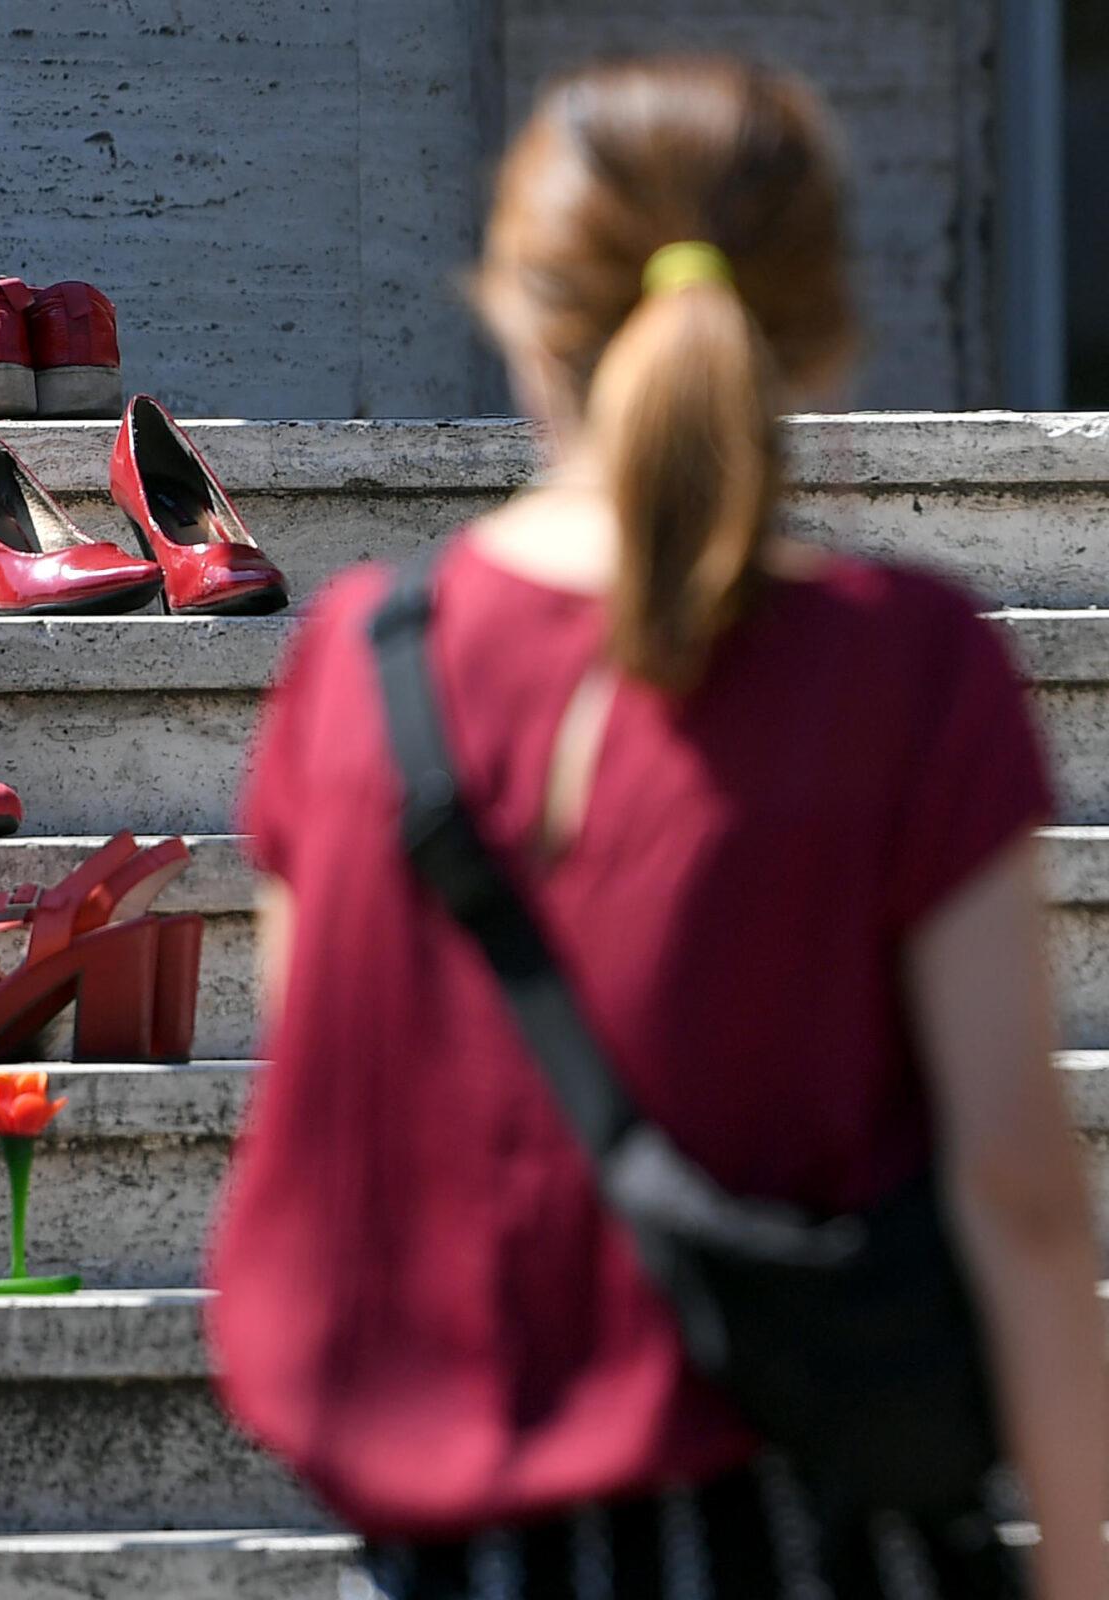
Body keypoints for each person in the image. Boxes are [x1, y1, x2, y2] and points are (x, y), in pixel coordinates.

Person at [206, 55, 1108, 1600]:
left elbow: (340, 1115)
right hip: (811, 1539)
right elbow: (1016, 1188)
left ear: (516, 305)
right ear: (821, 315)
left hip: (457, 1557)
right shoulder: (909, 665)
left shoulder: (357, 669)